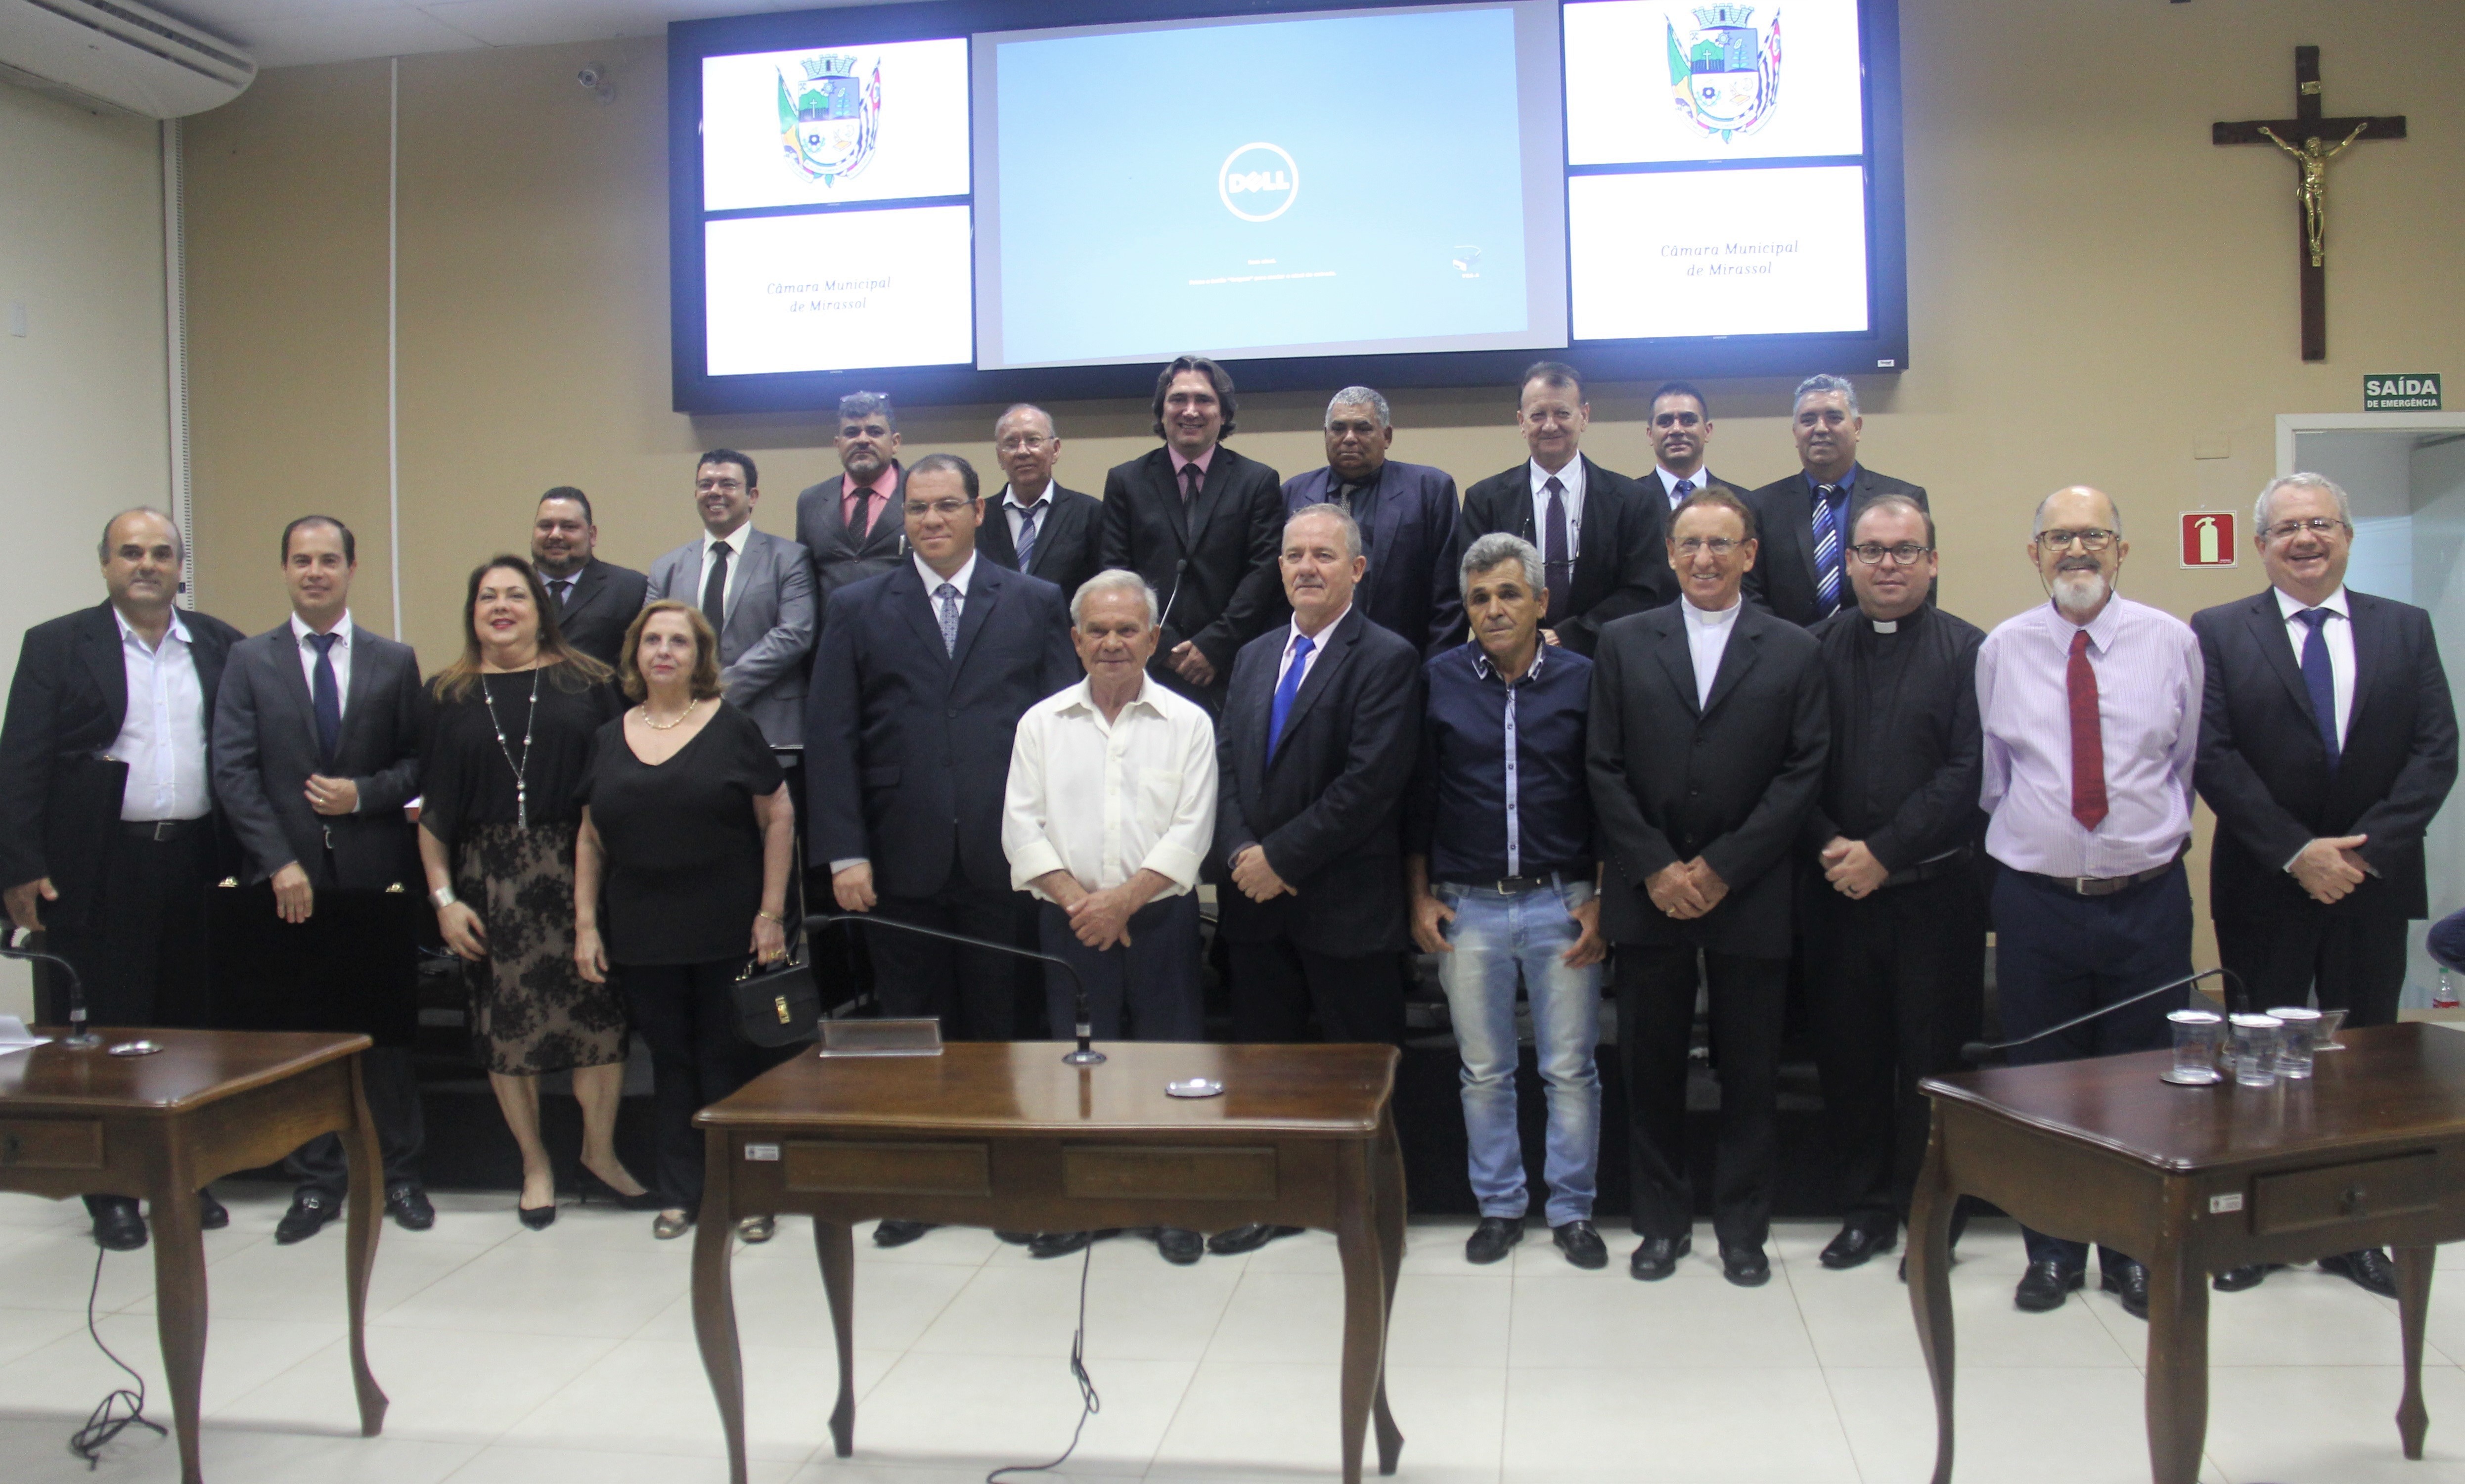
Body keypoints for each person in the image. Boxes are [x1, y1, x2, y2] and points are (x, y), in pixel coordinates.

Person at [2193, 473, 2458, 1298]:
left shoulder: (2405, 629)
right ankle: (2252, 1231)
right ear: (2261, 544)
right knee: (2259, 1057)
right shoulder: (2220, 631)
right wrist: (2297, 851)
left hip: (2371, 884)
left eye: (2320, 525)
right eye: (2286, 529)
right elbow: (2213, 754)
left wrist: (2357, 854)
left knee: (2362, 1059)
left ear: (2347, 536)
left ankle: (2355, 1231)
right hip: (2264, 879)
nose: (2305, 540)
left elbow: (2435, 750)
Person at [810, 453, 1076, 1250]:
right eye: (918, 508)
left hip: (1009, 858)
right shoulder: (858, 607)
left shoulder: (1034, 601)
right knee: (912, 1030)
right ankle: (921, 1185)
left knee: (1004, 1025)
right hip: (898, 857)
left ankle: (1008, 1180)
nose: (931, 520)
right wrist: (844, 852)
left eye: (947, 506)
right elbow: (832, 738)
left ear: (979, 511)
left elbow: (1063, 735)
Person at [1588, 489, 1826, 1287]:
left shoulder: (1794, 648)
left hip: (1750, 891)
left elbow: (1802, 773)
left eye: (1722, 544)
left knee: (1750, 1070)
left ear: (1750, 555)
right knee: (1648, 1065)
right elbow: (1603, 766)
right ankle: (1659, 1223)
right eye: (1690, 544)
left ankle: (1743, 1228)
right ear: (1669, 553)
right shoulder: (1623, 643)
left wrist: (1723, 866)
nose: (1704, 559)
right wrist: (1656, 865)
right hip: (1647, 890)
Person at [1978, 486, 2201, 1320]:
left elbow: (2181, 762)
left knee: (2144, 1084)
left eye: (2094, 536)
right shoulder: (2003, 649)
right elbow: (1996, 777)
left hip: (2146, 900)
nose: (2077, 551)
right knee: (2044, 1084)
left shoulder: (2172, 643)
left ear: (2122, 550)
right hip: (2037, 903)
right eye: (2060, 537)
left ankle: (2132, 1252)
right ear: (2034, 552)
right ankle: (2053, 1252)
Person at [0, 509, 245, 1251]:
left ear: (180, 567)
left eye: (161, 553)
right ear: (106, 564)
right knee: (101, 1034)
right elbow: (21, 763)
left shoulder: (220, 644)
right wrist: (20, 868)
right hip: (96, 866)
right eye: (131, 553)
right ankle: (110, 1191)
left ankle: (185, 1172)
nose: (147, 564)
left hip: (198, 859)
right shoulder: (56, 644)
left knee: (188, 1028)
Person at [212, 515, 433, 1243]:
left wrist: (363, 795)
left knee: (386, 1039)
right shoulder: (249, 660)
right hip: (286, 879)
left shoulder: (392, 659)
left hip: (374, 877)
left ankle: (401, 1175)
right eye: (302, 560)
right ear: (284, 570)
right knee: (300, 1037)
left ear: (351, 568)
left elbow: (415, 764)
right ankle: (315, 1183)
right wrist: (280, 863)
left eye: (329, 560)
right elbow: (234, 773)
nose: (315, 571)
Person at [1209, 504, 1422, 1258]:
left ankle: (1366, 1203)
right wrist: (1240, 852)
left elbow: (1370, 785)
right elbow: (1228, 766)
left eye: (1324, 556)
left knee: (1356, 1070)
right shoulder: (1255, 653)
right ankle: (1273, 1201)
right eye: (1295, 554)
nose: (1306, 567)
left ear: (1356, 570)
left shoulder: (1388, 657)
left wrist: (1280, 860)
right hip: (1254, 907)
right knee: (1263, 1066)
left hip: (1344, 909)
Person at [416, 555, 653, 1229]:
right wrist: (443, 901)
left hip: (578, 870)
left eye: (515, 595)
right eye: (486, 596)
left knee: (599, 1028)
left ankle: (599, 1153)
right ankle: (535, 1165)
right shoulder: (447, 693)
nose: (501, 607)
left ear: (539, 608)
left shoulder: (591, 681)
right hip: (489, 882)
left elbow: (615, 788)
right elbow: (433, 813)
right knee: (508, 1034)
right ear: (472, 611)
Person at [1001, 568, 1217, 1264]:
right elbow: (1020, 828)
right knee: (1077, 1066)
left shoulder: (1189, 723)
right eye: (1098, 630)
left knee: (1170, 1064)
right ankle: (1084, 1204)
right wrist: (1081, 903)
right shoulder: (1040, 724)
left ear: (1154, 639)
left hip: (1160, 921)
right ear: (1075, 639)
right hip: (1068, 928)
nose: (1112, 642)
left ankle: (1175, 1205)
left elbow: (1193, 829)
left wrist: (1122, 901)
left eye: (1128, 630)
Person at [1406, 533, 1607, 1270]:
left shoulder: (1586, 679)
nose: (1494, 609)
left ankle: (1573, 1209)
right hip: (1469, 905)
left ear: (1541, 601)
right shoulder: (1439, 679)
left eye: (1509, 593)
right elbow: (1419, 798)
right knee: (1484, 1069)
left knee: (1568, 1068)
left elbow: (1608, 795)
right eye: (1480, 597)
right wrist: (1419, 896)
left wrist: (1602, 899)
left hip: (1564, 900)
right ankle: (1498, 1205)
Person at [1801, 495, 1987, 1273]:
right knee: (1850, 1062)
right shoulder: (1810, 649)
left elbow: (1969, 770)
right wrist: (1833, 847)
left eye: (1904, 550)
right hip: (1835, 895)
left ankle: (1930, 1213)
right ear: (1846, 564)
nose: (1887, 564)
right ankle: (1864, 1209)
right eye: (1871, 550)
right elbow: (1789, 766)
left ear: (1932, 562)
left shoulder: (1972, 652)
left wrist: (1883, 850)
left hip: (1934, 896)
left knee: (1931, 1065)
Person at [575, 601, 793, 1242]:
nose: (664, 651)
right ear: (635, 655)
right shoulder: (608, 737)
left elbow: (777, 816)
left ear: (700, 657)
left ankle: (750, 1195)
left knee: (731, 1063)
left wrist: (771, 913)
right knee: (671, 1064)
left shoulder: (731, 726)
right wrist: (587, 924)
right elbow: (589, 838)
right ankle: (682, 1192)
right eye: (652, 641)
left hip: (728, 928)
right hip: (643, 933)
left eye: (679, 641)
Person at [1099, 354, 1287, 714]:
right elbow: (1116, 572)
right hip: (1148, 667)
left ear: (1224, 412)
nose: (1190, 411)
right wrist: (1164, 645)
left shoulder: (1257, 481)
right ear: (1161, 410)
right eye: (1178, 399)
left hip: (1228, 669)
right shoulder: (1125, 481)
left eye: (1203, 400)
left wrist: (1214, 645)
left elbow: (1263, 573)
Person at [1452, 361, 1674, 655]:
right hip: (1511, 661)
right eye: (1537, 415)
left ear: (1584, 416)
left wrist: (1568, 636)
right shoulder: (1486, 500)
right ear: (1521, 422)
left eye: (1562, 413)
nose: (1550, 425)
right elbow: (1473, 587)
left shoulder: (1632, 500)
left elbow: (1643, 591)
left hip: (1603, 660)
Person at [645, 449, 816, 752]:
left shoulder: (788, 558)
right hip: (682, 728)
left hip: (769, 726)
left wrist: (718, 689)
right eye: (705, 484)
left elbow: (795, 633)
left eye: (727, 484)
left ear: (752, 496)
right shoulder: (666, 568)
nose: (715, 492)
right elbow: (650, 642)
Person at [1280, 387, 1464, 655]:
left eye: (1363, 428)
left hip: (1404, 663)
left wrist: (1436, 673)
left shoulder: (1430, 490)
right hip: (1310, 662)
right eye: (1338, 428)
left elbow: (1450, 597)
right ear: (1326, 435)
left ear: (1387, 436)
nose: (1349, 438)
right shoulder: (1294, 494)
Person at [1742, 375, 1931, 627]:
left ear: (1857, 428)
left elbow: (1920, 590)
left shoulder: (1905, 501)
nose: (1821, 429)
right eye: (1808, 420)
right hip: (1789, 656)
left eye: (1834, 417)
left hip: (1880, 652)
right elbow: (1749, 595)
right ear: (1795, 434)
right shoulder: (1759, 506)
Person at [976, 404, 1106, 604]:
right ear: (1000, 457)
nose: (1022, 452)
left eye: (1033, 440)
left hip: (1064, 633)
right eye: (1011, 444)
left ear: (1055, 450)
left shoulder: (1090, 514)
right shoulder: (977, 518)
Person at [796, 391, 910, 600]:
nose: (863, 440)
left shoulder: (918, 495)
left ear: (895, 443)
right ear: (837, 444)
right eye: (852, 433)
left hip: (902, 628)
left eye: (875, 432)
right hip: (833, 630)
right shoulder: (811, 501)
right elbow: (804, 582)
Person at [531, 487, 649, 669]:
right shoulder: (510, 590)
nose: (555, 535)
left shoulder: (631, 589)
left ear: (592, 535)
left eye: (569, 527)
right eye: (546, 526)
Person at [1639, 382, 1738, 513]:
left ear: (1707, 431)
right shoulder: (1629, 500)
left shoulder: (1739, 502)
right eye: (1665, 422)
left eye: (1688, 420)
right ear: (1650, 434)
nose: (1676, 430)